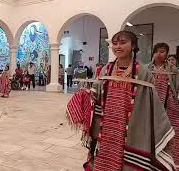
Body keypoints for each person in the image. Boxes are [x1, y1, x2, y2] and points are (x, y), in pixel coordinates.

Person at [66, 31, 175, 170]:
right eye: (115, 43)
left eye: (123, 42)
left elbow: (153, 103)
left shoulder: (142, 72)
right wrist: (85, 95)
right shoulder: (106, 70)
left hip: (131, 126)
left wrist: (163, 127)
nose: (118, 46)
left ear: (133, 45)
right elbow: (96, 93)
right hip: (107, 126)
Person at [147, 43, 179, 167]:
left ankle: (172, 163)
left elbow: (176, 88)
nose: (159, 54)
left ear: (166, 54)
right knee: (151, 133)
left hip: (170, 108)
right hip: (151, 106)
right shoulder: (146, 68)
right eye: (156, 51)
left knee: (172, 134)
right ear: (153, 52)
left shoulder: (173, 69)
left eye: (162, 51)